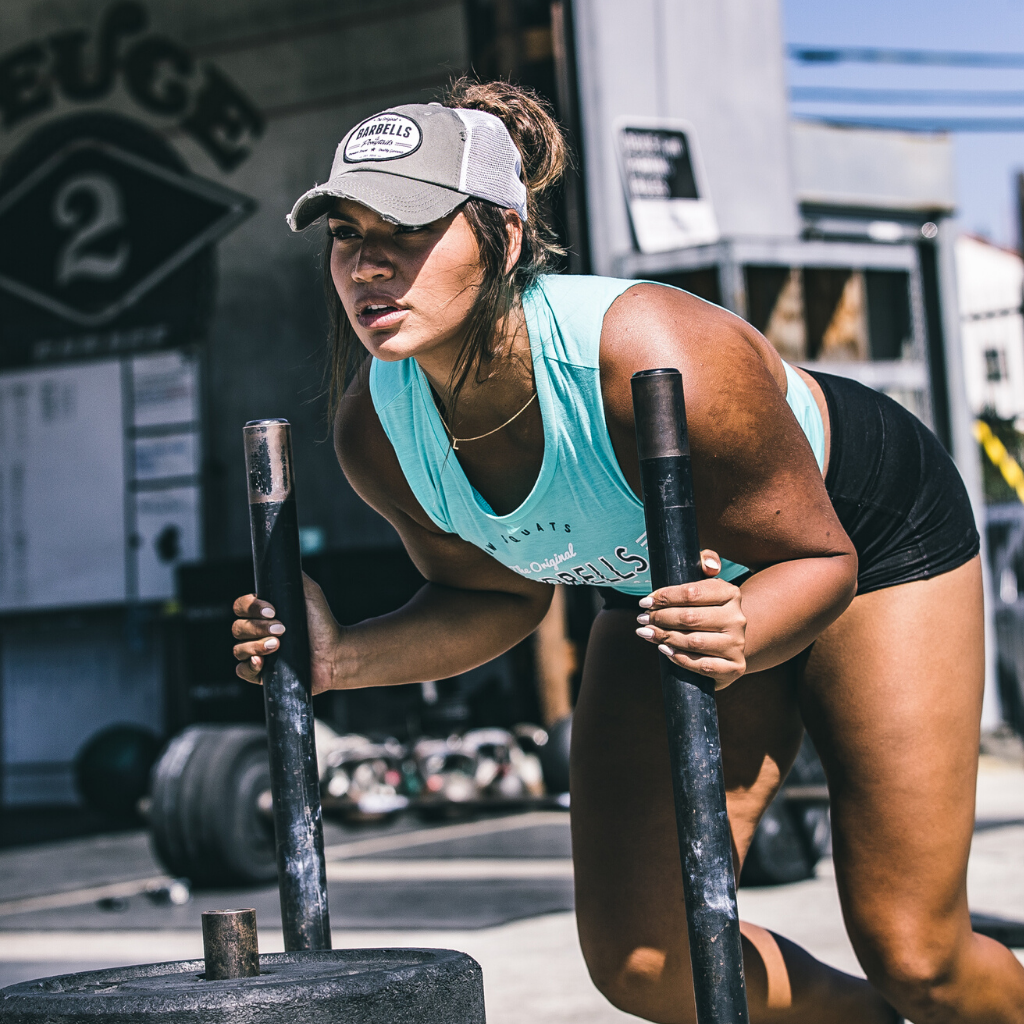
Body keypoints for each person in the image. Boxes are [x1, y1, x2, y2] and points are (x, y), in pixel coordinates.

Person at [232, 78, 1024, 1023]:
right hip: (667, 583)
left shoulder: (654, 353)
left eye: (407, 229)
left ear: (505, 235)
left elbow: (819, 562)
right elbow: (496, 598)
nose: (369, 266)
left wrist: (750, 624)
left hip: (856, 536)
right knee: (650, 960)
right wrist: (344, 659)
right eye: (347, 234)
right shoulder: (380, 427)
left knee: (915, 951)